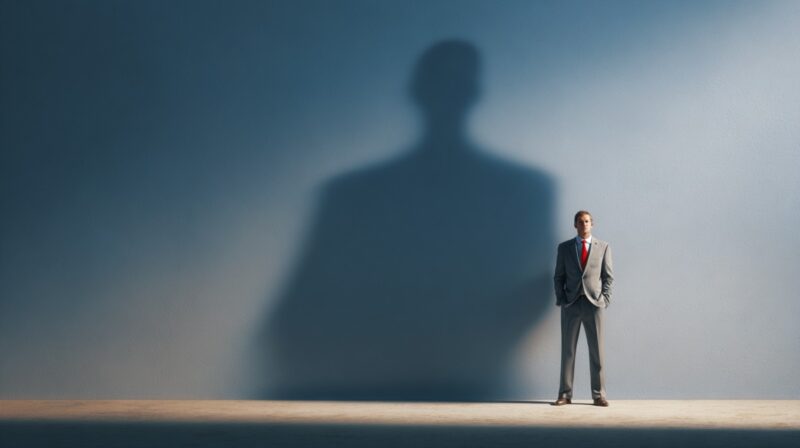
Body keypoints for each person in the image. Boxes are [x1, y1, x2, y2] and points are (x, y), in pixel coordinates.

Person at [552, 210, 614, 406]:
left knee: (597, 351)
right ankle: (565, 394)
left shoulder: (603, 247)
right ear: (575, 225)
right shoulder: (565, 248)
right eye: (580, 222)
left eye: (587, 221)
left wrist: (605, 299)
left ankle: (599, 395)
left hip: (594, 304)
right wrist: (561, 299)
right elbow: (558, 277)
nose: (584, 224)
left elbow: (608, 277)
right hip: (571, 304)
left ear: (592, 224)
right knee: (567, 351)